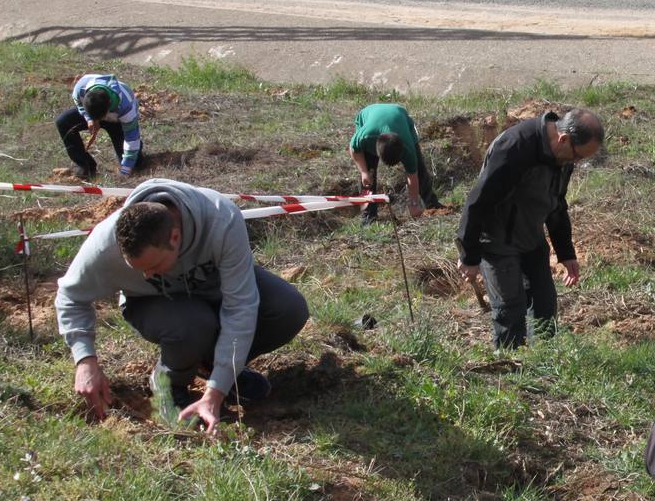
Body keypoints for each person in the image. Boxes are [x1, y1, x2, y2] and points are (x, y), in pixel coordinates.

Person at [54, 178, 310, 433]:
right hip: (154, 305)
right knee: (193, 324)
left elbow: (240, 306)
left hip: (214, 290)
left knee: (287, 308)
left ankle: (214, 368)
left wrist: (216, 390)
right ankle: (169, 384)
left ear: (174, 237)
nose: (146, 276)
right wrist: (85, 359)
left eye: (153, 267)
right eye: (138, 269)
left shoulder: (221, 221)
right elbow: (70, 296)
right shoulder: (104, 245)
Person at [456, 108, 603, 349]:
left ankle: (543, 364)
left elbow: (556, 204)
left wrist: (566, 253)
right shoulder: (515, 148)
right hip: (497, 239)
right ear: (563, 139)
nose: (577, 163)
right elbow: (478, 202)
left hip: (530, 237)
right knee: (510, 311)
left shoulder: (563, 155)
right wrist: (469, 255)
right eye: (578, 156)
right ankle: (511, 373)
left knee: (545, 305)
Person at [348, 103, 439, 223]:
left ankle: (432, 204)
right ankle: (369, 216)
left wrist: (413, 203)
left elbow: (413, 176)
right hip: (368, 114)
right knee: (368, 174)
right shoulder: (365, 137)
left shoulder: (408, 148)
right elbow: (354, 149)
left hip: (400, 114)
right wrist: (364, 172)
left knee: (419, 168)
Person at [56, 73, 142, 180]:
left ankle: (135, 156)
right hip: (95, 113)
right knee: (63, 122)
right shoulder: (80, 88)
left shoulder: (126, 107)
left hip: (116, 121)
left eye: (100, 118)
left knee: (137, 164)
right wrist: (89, 119)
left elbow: (131, 139)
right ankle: (85, 166)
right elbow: (77, 101)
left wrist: (125, 170)